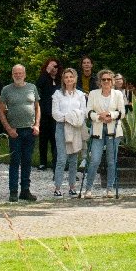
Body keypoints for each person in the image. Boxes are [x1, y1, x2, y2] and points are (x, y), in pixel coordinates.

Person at [0, 63, 41, 203]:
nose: (18, 75)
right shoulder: (6, 90)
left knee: (27, 161)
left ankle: (25, 190)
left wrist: (37, 125)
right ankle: (13, 191)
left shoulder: (32, 88)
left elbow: (37, 108)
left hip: (29, 130)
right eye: (15, 73)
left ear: (25, 74)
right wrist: (9, 129)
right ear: (12, 75)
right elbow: (1, 111)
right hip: (15, 132)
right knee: (14, 161)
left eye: (20, 73)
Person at [84, 68, 124, 197]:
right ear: (99, 81)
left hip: (113, 130)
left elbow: (122, 112)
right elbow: (88, 112)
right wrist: (98, 117)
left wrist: (110, 114)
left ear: (112, 81)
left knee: (111, 161)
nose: (106, 81)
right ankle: (88, 189)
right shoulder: (93, 94)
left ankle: (109, 189)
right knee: (95, 160)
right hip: (97, 130)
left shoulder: (118, 94)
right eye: (103, 79)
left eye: (108, 79)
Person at [52, 66, 88, 197]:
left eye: (71, 77)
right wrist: (69, 117)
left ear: (75, 79)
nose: (69, 79)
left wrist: (74, 118)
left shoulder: (80, 95)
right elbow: (55, 113)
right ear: (63, 79)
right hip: (62, 127)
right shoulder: (58, 94)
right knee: (62, 158)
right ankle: (57, 187)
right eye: (66, 77)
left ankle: (72, 186)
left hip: (76, 128)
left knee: (73, 159)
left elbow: (83, 112)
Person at [35, 58, 61, 171]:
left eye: (55, 67)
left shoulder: (60, 80)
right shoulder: (44, 78)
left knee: (55, 138)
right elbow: (38, 85)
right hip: (45, 112)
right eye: (51, 67)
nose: (53, 69)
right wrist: (47, 71)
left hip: (57, 113)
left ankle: (56, 161)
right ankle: (43, 162)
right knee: (43, 138)